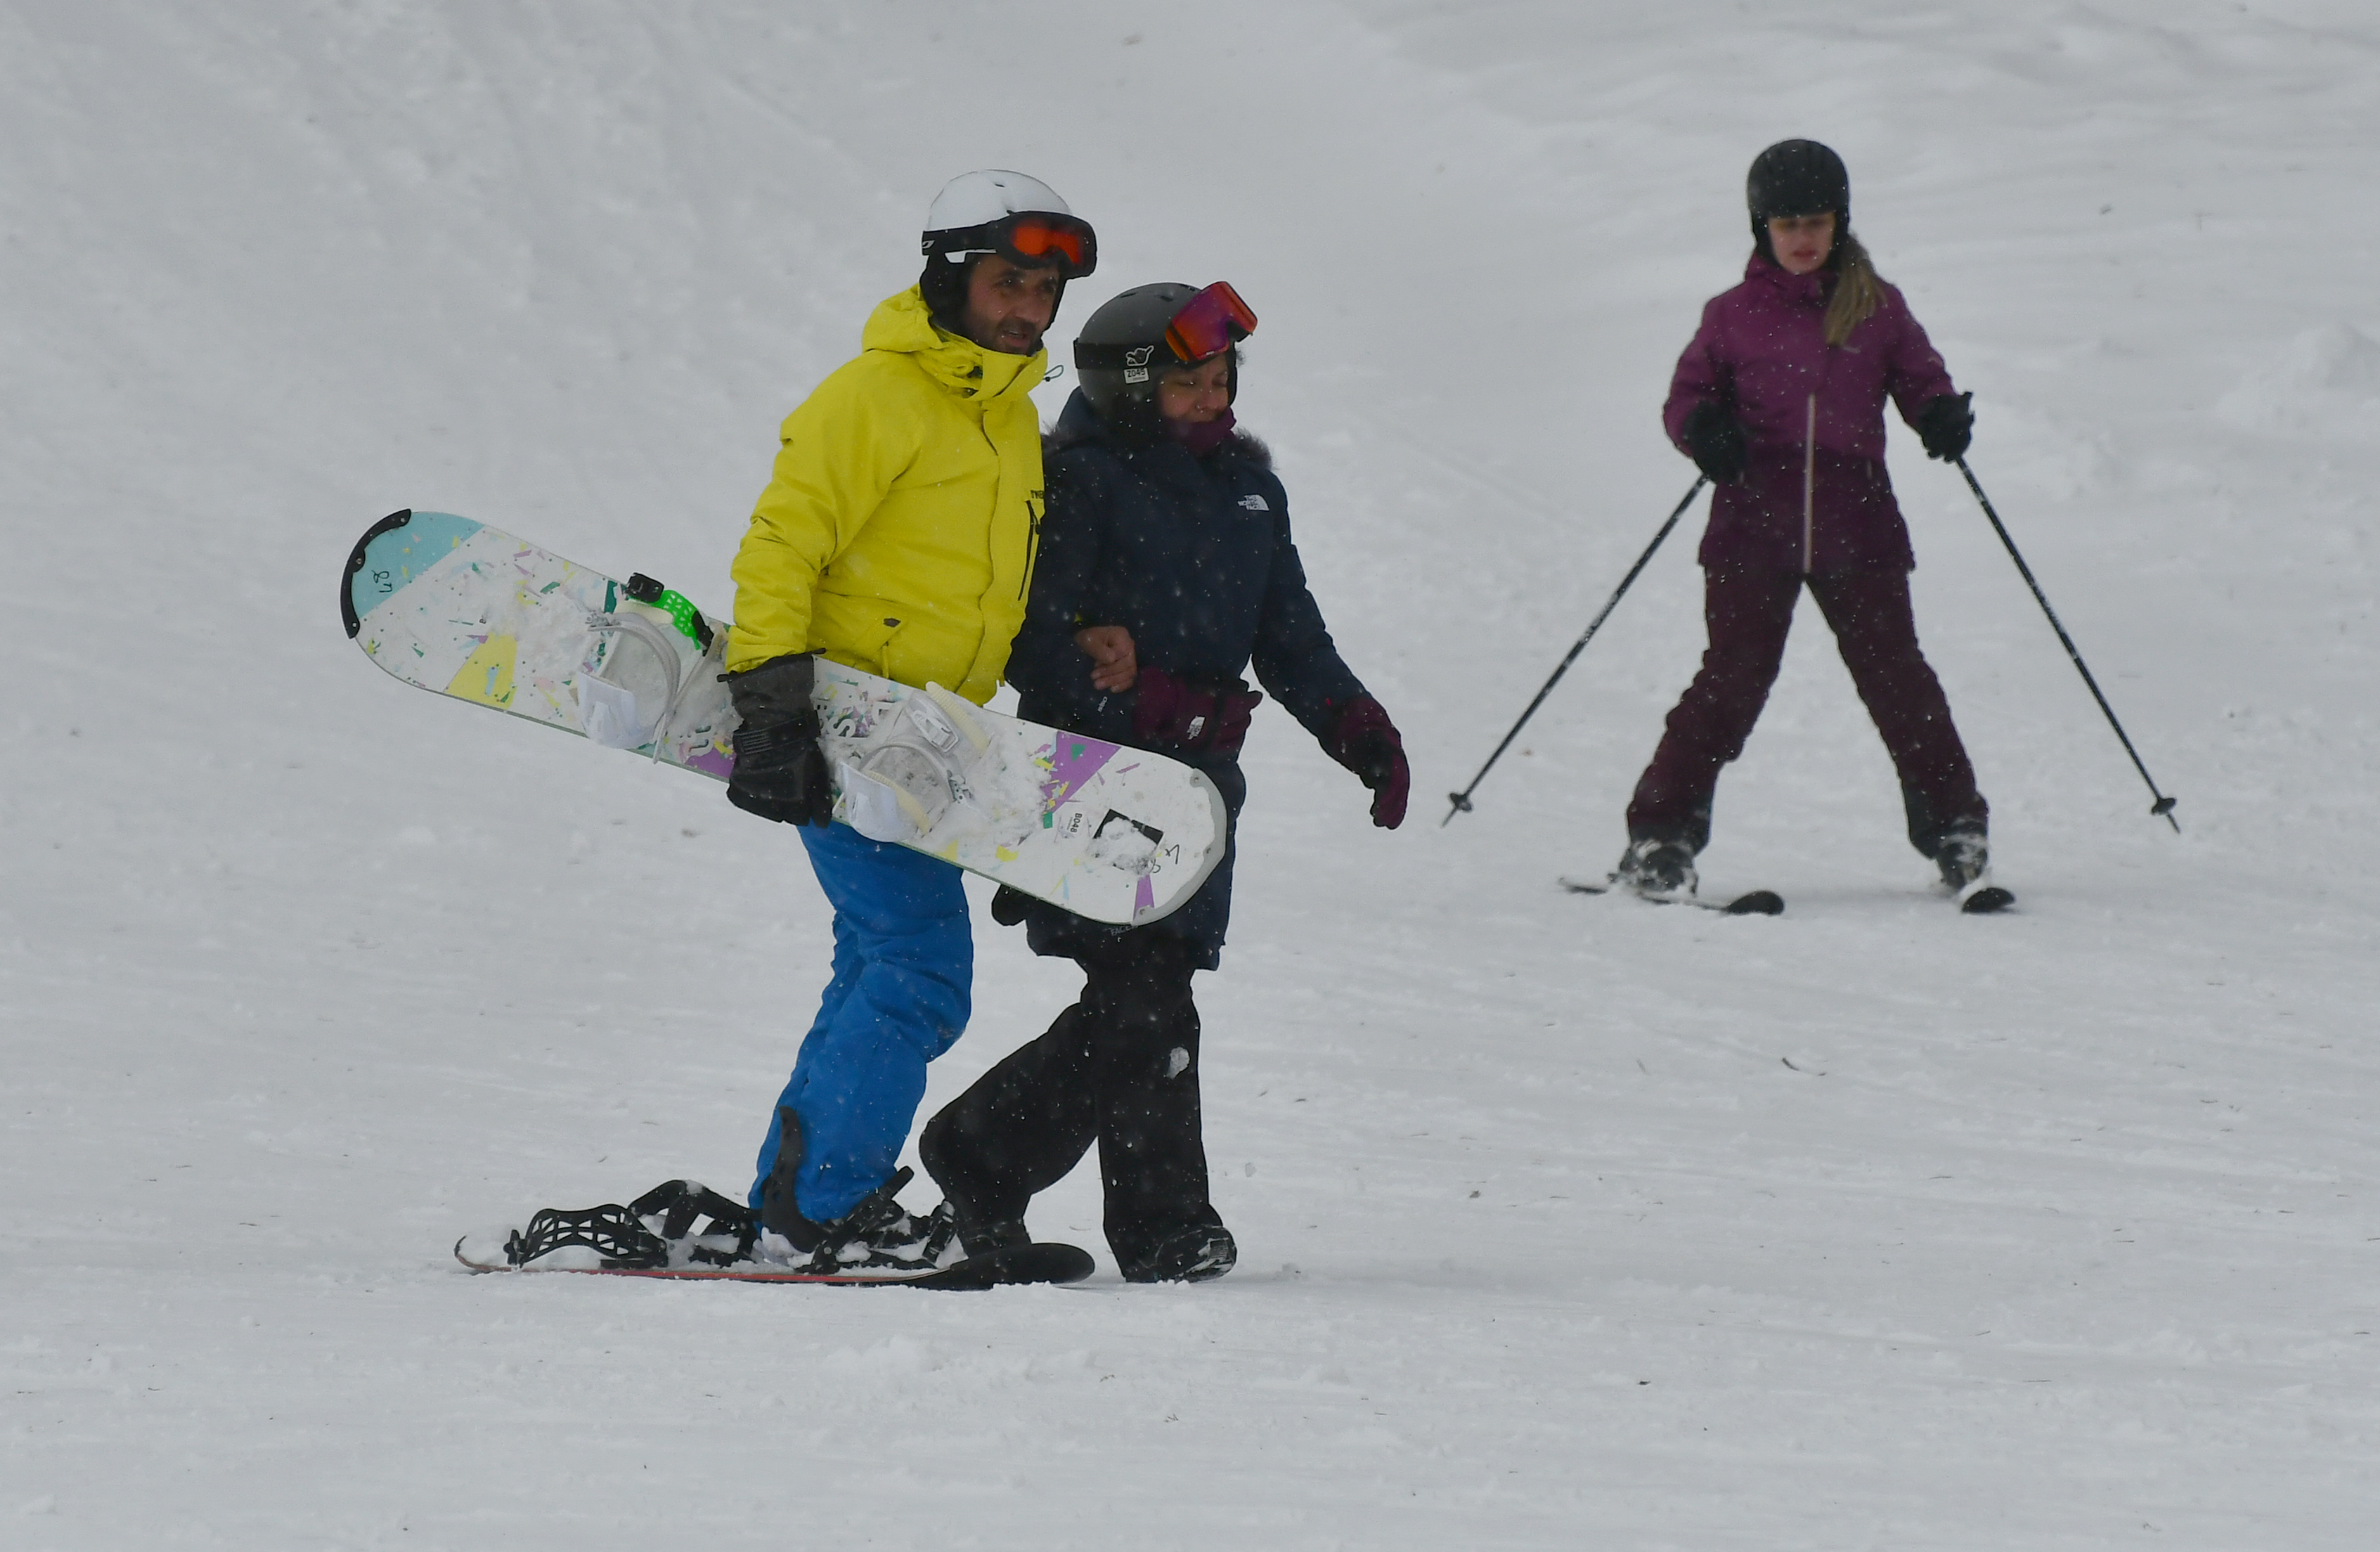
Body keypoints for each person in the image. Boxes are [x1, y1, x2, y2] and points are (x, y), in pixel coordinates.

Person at [915, 281, 1409, 1283]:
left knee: (1145, 998)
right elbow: (1024, 626)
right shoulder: (1083, 481)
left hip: (1199, 789)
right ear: (1133, 387)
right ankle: (1162, 1223)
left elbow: (1290, 635)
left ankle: (983, 1151)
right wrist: (1087, 656)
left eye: (1223, 376)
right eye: (1187, 379)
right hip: (1092, 779)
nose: (1214, 395)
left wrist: (1359, 729)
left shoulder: (1251, 496)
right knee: (1147, 1000)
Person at [722, 170, 1097, 1271]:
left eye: (1043, 288)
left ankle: (796, 1205)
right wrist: (774, 707)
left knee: (878, 963)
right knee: (918, 967)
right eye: (1005, 281)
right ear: (949, 277)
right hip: (843, 718)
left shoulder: (1012, 424)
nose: (1025, 306)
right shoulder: (873, 396)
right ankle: (823, 1206)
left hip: (923, 743)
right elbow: (782, 546)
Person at [1617, 139, 1988, 899]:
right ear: (1761, 228)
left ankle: (1956, 827)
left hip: (1859, 525)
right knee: (1730, 683)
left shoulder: (1877, 307)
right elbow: (1686, 398)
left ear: (1840, 221)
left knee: (1899, 680)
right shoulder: (1732, 316)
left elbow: (1921, 379)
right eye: (1786, 223)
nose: (1802, 238)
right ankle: (1660, 838)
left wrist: (1940, 416)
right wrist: (1704, 432)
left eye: (1816, 221)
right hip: (1755, 523)